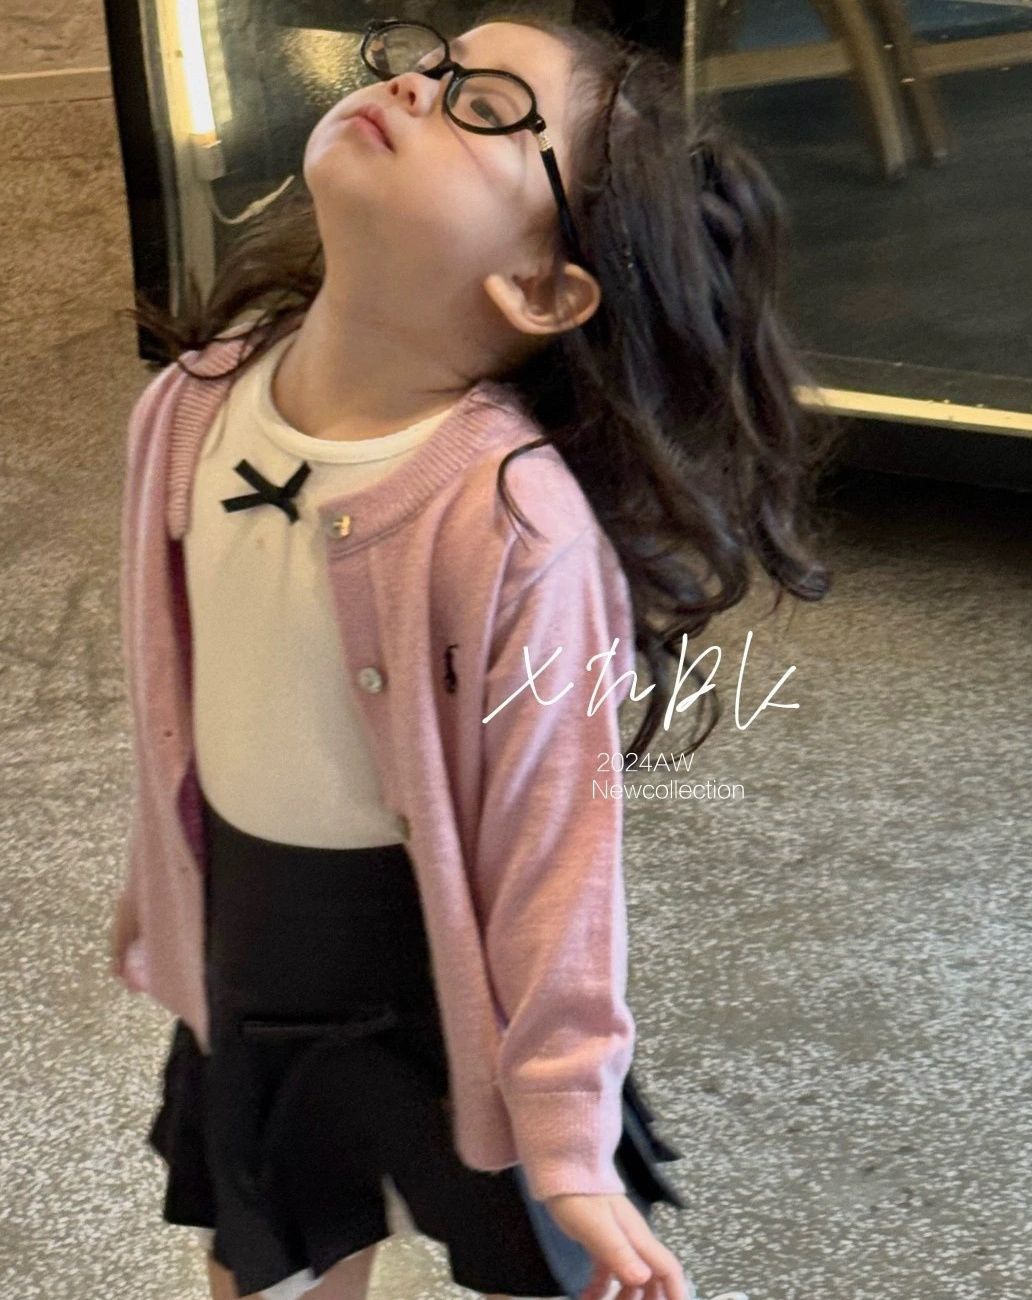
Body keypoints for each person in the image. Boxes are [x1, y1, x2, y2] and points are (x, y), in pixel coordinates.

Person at [109, 7, 840, 1299]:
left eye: (488, 107)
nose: (419, 86)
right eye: (434, 64)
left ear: (543, 289)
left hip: (445, 970)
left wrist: (566, 1138)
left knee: (530, 1255)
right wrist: (162, 888)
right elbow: (176, 698)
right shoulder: (185, 408)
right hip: (252, 931)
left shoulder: (510, 524)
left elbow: (559, 855)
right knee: (268, 1243)